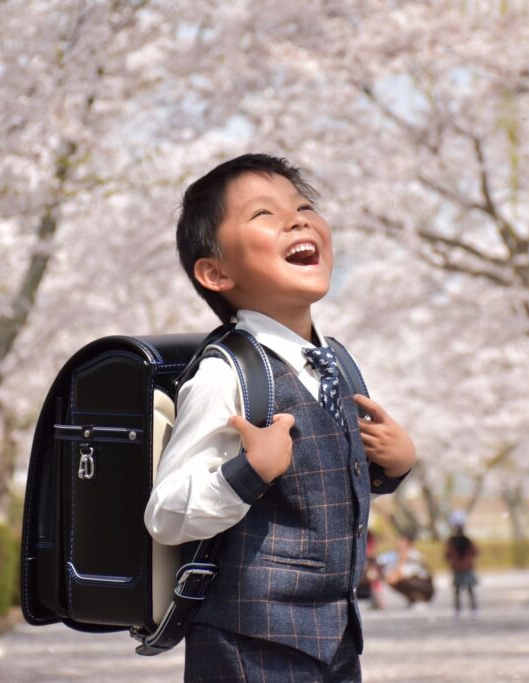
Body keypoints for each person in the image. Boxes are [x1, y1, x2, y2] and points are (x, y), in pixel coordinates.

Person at [143, 154, 417, 682]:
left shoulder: (336, 363)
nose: (298, 220)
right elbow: (166, 514)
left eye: (305, 206)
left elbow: (328, 486)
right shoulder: (230, 376)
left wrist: (394, 466)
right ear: (215, 271)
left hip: (336, 641)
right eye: (263, 214)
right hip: (248, 644)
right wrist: (248, 472)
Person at [445, 510, 480, 618]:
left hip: (459, 567)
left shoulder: (452, 541)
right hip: (466, 567)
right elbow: (475, 552)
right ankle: (472, 609)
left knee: (459, 590)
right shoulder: (467, 540)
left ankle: (459, 609)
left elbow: (447, 554)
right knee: (468, 589)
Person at [384, 535, 434, 607]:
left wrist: (402, 562)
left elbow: (403, 574)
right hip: (412, 580)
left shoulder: (415, 556)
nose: (399, 547)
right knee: (395, 580)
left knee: (407, 581)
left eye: (402, 545)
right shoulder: (396, 557)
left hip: (424, 585)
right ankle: (413, 599)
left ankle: (420, 599)